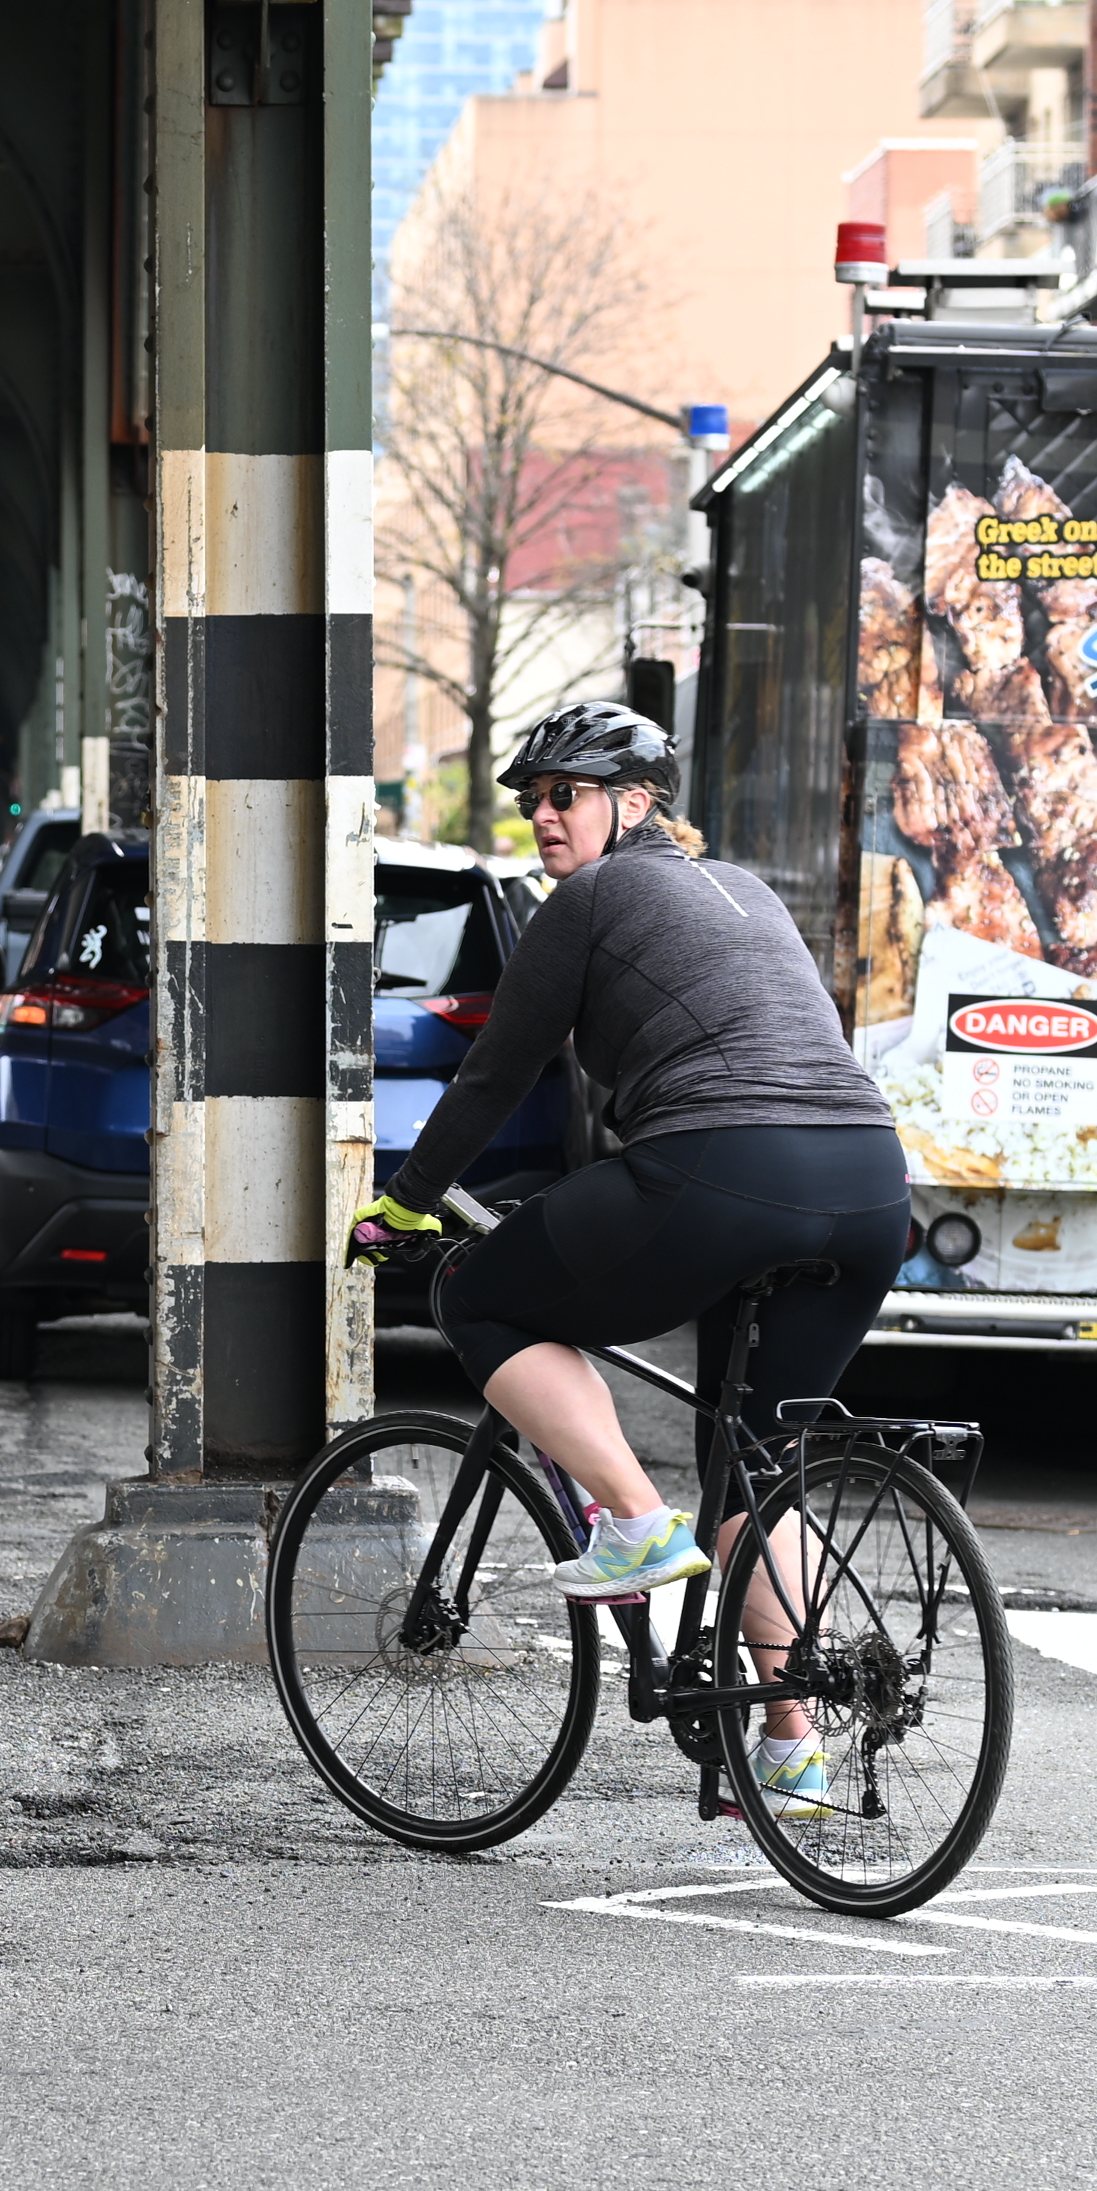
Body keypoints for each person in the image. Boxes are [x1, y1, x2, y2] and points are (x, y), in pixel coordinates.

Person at [360, 699, 908, 1815]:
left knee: (482, 1291)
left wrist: (409, 1208)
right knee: (754, 1457)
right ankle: (792, 1739)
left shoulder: (594, 897)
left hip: (726, 1170)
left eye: (565, 795)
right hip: (868, 1186)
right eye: (531, 801)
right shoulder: (746, 892)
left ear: (637, 802)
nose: (544, 819)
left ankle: (629, 1518)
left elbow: (497, 1074)